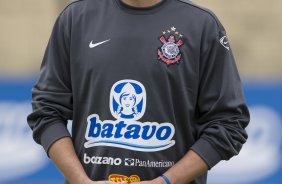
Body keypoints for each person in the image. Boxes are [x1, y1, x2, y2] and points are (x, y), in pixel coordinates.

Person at [27, 0, 250, 184]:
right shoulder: (76, 18)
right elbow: (46, 112)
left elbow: (228, 123)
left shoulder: (202, 25)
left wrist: (166, 181)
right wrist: (80, 180)